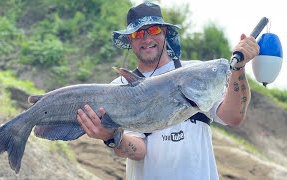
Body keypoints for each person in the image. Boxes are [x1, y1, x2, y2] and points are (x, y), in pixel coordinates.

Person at [76, 2, 259, 180]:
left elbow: (233, 116)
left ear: (164, 32)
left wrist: (238, 68)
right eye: (138, 33)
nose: (147, 39)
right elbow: (138, 150)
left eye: (154, 30)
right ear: (130, 40)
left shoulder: (197, 73)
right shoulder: (120, 87)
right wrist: (111, 137)